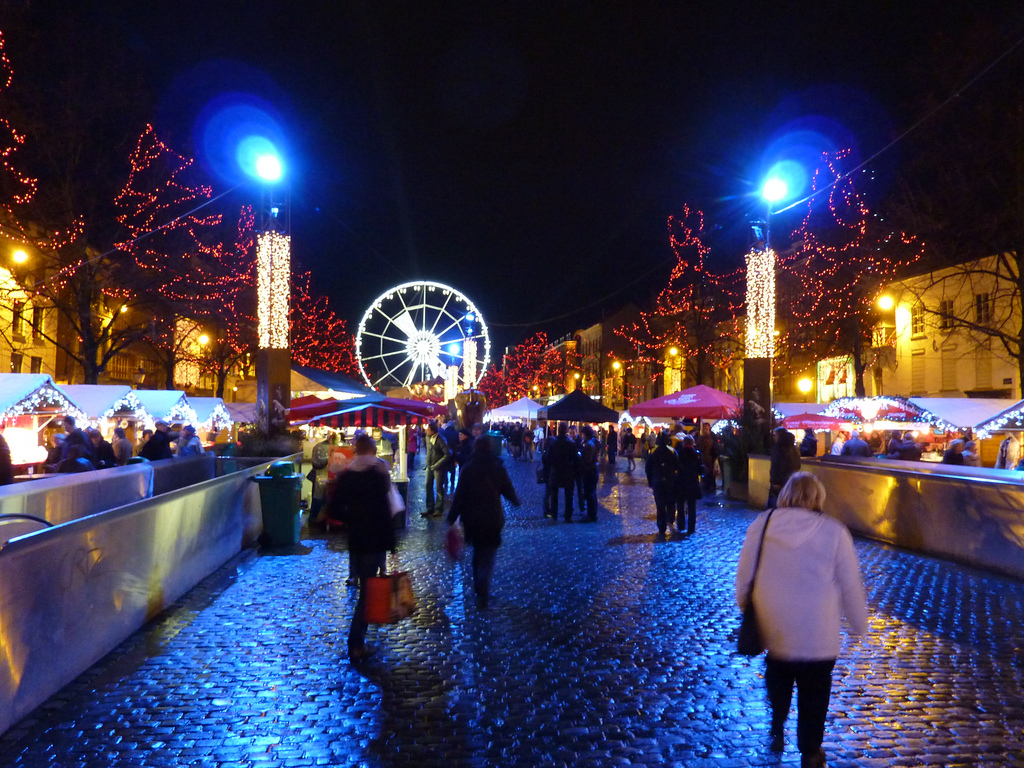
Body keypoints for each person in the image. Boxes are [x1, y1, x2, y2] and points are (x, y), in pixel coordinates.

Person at [735, 472, 867, 768]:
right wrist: (860, 624)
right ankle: (810, 750)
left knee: (778, 673)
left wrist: (748, 606)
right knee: (815, 693)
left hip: (775, 625)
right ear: (818, 497)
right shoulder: (834, 532)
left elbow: (745, 575)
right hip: (818, 632)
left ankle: (778, 723)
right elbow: (850, 584)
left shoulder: (763, 524)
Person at [326, 434, 396, 662]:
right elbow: (386, 510)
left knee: (365, 588)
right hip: (374, 539)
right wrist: (391, 541)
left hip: (356, 539)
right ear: (373, 450)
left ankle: (359, 638)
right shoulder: (379, 473)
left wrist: (353, 518)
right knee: (367, 592)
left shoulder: (346, 475)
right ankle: (355, 643)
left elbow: (334, 510)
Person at [447, 436, 520, 610]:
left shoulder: (469, 467)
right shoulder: (497, 466)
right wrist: (515, 500)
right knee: (488, 555)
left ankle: (479, 586)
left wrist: (451, 517)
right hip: (492, 517)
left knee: (478, 553)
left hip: (472, 518)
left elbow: (460, 495)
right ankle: (482, 588)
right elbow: (507, 488)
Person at [542, 422, 579, 521]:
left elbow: (548, 458)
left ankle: (554, 514)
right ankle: (568, 516)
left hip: (556, 471)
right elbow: (575, 458)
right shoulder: (571, 443)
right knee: (568, 495)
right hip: (568, 471)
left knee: (554, 495)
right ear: (566, 430)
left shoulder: (553, 443)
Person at [645, 432, 680, 535]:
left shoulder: (653, 452)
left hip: (657, 481)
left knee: (660, 505)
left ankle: (661, 526)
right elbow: (678, 466)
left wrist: (650, 481)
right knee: (671, 503)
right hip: (670, 481)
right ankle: (670, 519)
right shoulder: (672, 451)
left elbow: (648, 468)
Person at [674, 434, 703, 535]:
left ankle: (681, 525)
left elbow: (675, 467)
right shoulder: (697, 455)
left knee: (680, 506)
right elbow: (700, 470)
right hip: (692, 483)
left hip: (681, 482)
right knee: (692, 507)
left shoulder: (679, 454)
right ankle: (691, 527)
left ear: (684, 443)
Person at [422, 421, 451, 517]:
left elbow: (447, 454)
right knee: (428, 486)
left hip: (438, 468)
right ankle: (430, 508)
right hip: (429, 467)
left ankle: (438, 509)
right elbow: (429, 452)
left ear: (433, 430)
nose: (425, 430)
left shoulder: (440, 439)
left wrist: (437, 465)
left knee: (439, 488)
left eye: (427, 429)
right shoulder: (428, 437)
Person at [768, 427, 800, 508]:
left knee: (774, 506)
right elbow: (797, 466)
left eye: (775, 435)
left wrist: (775, 481)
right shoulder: (794, 449)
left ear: (780, 436)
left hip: (779, 482)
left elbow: (775, 466)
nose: (774, 437)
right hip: (791, 481)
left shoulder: (778, 449)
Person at [578, 425, 600, 522]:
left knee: (589, 493)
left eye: (582, 434)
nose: (581, 436)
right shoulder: (594, 442)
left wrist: (580, 455)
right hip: (593, 470)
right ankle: (593, 514)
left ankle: (591, 515)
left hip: (589, 471)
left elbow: (587, 459)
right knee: (592, 493)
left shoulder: (589, 444)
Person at [696, 423, 719, 494]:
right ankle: (706, 485)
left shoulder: (712, 436)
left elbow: (715, 447)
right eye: (704, 428)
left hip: (710, 458)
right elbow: (699, 447)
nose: (705, 430)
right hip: (704, 458)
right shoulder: (701, 437)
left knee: (710, 473)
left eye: (706, 428)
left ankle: (710, 485)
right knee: (705, 472)